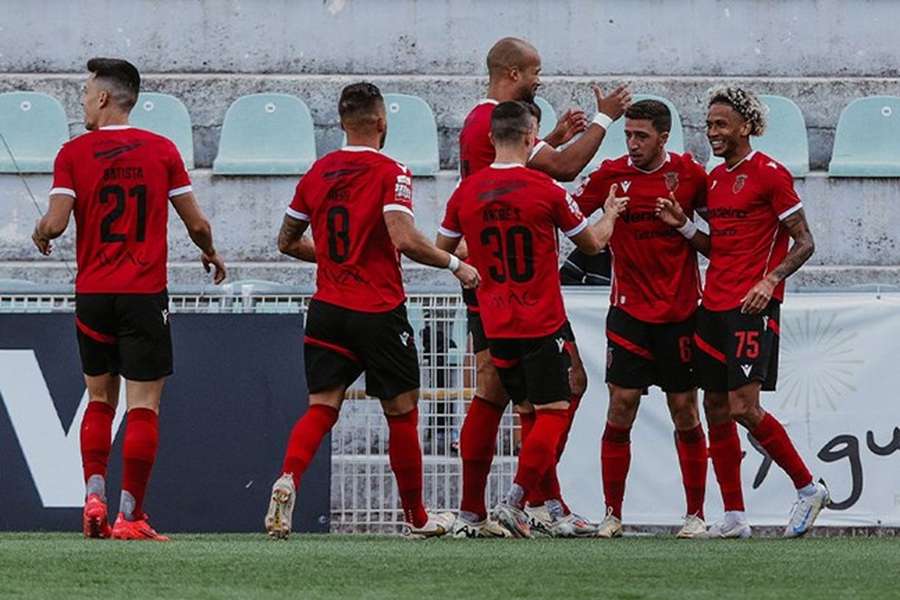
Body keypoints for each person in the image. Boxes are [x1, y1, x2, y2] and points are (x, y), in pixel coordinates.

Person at [264, 82, 480, 540]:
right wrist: (456, 263)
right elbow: (402, 236)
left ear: (341, 123)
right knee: (401, 414)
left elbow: (285, 241)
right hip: (379, 311)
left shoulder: (317, 173)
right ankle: (417, 518)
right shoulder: (392, 171)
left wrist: (335, 260)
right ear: (383, 123)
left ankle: (288, 478)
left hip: (326, 309)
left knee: (322, 407)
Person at [32, 57, 227, 541]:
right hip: (143, 294)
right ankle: (129, 515)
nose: (82, 101)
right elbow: (197, 223)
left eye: (84, 93)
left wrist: (41, 230)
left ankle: (93, 497)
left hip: (94, 294)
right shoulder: (161, 150)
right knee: (143, 406)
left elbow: (55, 223)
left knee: (99, 398)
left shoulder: (72, 154)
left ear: (102, 97)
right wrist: (209, 252)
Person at [453, 36, 631, 537]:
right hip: (523, 290)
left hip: (490, 280)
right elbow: (565, 170)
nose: (539, 80)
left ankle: (522, 503)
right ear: (512, 73)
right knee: (547, 389)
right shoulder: (497, 132)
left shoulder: (478, 125)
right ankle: (525, 501)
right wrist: (604, 119)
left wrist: (545, 133)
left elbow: (513, 163)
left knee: (513, 394)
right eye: (534, 73)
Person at [656, 86, 829, 538]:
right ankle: (734, 516)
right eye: (709, 124)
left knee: (743, 407)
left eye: (721, 124)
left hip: (751, 307)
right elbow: (718, 248)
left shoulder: (770, 175)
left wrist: (770, 282)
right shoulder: (715, 179)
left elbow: (805, 241)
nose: (713, 132)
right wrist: (685, 226)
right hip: (712, 305)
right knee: (714, 406)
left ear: (746, 126)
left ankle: (808, 487)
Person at [572, 99, 709, 538]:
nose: (632, 144)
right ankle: (612, 513)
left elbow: (718, 241)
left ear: (663, 137)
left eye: (641, 136)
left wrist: (685, 225)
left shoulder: (690, 175)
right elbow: (569, 216)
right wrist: (608, 215)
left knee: (685, 409)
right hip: (629, 312)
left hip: (682, 313)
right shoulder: (612, 175)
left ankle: (696, 515)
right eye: (627, 134)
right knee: (621, 406)